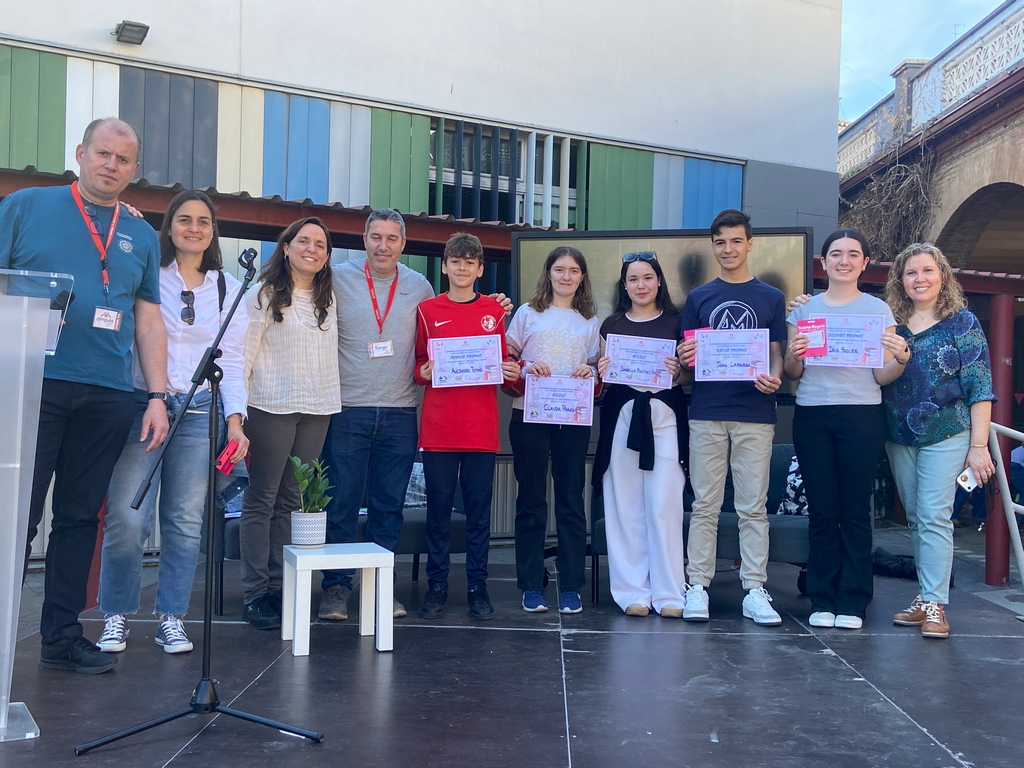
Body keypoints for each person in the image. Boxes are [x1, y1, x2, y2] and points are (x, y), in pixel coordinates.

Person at [0, 117, 168, 674]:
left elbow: (148, 320)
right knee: (14, 516)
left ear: (134, 169)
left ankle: (61, 637)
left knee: (78, 518)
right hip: (31, 383)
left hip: (107, 392)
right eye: (102, 153)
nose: (110, 165)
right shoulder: (25, 206)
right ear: (80, 153)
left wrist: (157, 395)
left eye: (122, 159)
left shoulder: (142, 235)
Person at [317, 209, 511, 622]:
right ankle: (336, 587)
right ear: (364, 239)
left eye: (392, 238)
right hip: (349, 408)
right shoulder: (337, 278)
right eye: (376, 237)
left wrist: (494, 305)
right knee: (343, 503)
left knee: (389, 508)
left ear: (403, 244)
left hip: (401, 411)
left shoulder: (420, 288)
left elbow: (455, 328)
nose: (383, 246)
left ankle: (380, 587)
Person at [96, 190, 250, 655]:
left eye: (203, 221)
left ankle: (171, 618)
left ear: (213, 231)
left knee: (184, 521)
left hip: (200, 410)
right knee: (128, 517)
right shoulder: (148, 273)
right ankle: (116, 614)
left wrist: (236, 421)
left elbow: (233, 359)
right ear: (169, 227)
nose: (193, 228)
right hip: (145, 405)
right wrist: (125, 217)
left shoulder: (225, 287)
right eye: (184, 219)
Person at [785, 229, 907, 630]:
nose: (844, 260)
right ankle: (821, 596)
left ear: (865, 263)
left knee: (855, 510)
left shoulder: (878, 310)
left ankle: (853, 600)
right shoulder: (804, 310)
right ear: (823, 262)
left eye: (853, 254)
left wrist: (900, 359)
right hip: (813, 414)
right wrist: (794, 355)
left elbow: (882, 375)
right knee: (822, 511)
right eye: (836, 254)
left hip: (862, 415)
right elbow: (792, 372)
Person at [678, 209, 786, 626]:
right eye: (720, 242)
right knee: (704, 504)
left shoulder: (771, 297)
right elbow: (688, 363)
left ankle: (754, 589)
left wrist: (775, 378)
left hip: (755, 413)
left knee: (752, 506)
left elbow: (776, 354)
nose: (728, 249)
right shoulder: (698, 298)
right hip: (706, 412)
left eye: (736, 240)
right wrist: (684, 357)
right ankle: (697, 586)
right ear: (713, 246)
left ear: (749, 244)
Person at [880, 243, 995, 639]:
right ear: (900, 280)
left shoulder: (961, 322)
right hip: (899, 434)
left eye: (928, 271)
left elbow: (980, 386)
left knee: (933, 516)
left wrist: (978, 447)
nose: (920, 279)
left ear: (942, 276)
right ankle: (925, 595)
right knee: (916, 518)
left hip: (947, 432)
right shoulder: (891, 323)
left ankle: (935, 605)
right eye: (911, 273)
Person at [412, 233, 519, 620]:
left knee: (478, 514)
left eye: (469, 262)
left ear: (480, 269)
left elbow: (504, 367)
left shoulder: (494, 310)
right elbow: (418, 362)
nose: (462, 268)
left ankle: (478, 586)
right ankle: (436, 585)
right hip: (439, 429)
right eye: (455, 261)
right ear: (444, 266)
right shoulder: (427, 309)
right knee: (438, 514)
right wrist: (423, 373)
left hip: (480, 429)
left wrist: (512, 372)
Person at [241, 217, 340, 630]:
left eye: (320, 244)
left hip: (317, 408)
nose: (311, 249)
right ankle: (255, 594)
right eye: (303, 241)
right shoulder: (263, 294)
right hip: (270, 406)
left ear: (327, 256)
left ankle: (281, 588)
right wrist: (236, 413)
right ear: (286, 247)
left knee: (292, 502)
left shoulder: (328, 296)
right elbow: (244, 354)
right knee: (261, 499)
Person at [506, 246, 600, 615]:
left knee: (571, 501)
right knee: (531, 499)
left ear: (582, 277)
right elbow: (507, 359)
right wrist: (526, 367)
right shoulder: (527, 313)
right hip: (528, 416)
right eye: (559, 269)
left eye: (573, 270)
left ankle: (571, 585)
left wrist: (591, 372)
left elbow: (598, 368)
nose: (566, 276)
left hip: (572, 420)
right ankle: (531, 584)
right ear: (548, 273)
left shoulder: (590, 320)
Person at [592, 252, 687, 617]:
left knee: (664, 505)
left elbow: (691, 376)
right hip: (622, 418)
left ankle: (670, 594)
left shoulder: (678, 322)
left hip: (665, 418)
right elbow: (602, 383)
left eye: (647, 277)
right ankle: (632, 592)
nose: (641, 285)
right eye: (633, 279)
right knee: (625, 507)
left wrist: (678, 372)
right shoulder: (611, 325)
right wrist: (601, 372)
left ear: (659, 281)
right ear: (624, 285)